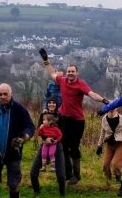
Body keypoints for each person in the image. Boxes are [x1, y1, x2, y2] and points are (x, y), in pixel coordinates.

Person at [38, 48, 110, 184]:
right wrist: (46, 60)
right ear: (66, 73)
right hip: (64, 118)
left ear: (77, 73)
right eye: (69, 71)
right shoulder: (63, 81)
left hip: (77, 120)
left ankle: (77, 175)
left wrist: (104, 100)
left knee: (74, 147)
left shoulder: (80, 84)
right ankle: (68, 173)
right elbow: (52, 74)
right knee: (63, 145)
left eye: (73, 71)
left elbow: (92, 94)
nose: (70, 73)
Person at [29, 97, 67, 197]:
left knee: (61, 175)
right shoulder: (43, 115)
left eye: (53, 103)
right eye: (49, 103)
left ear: (57, 105)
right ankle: (36, 190)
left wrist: (53, 140)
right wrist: (46, 139)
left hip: (57, 146)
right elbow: (39, 129)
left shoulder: (60, 117)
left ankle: (62, 193)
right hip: (44, 145)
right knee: (33, 171)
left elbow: (62, 132)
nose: (51, 104)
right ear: (47, 104)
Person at [95, 107, 122, 182]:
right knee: (105, 164)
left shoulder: (121, 118)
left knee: (115, 164)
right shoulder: (104, 119)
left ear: (116, 109)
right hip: (109, 145)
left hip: (120, 144)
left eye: (113, 107)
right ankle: (108, 179)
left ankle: (118, 177)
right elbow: (103, 132)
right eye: (109, 107)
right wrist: (99, 145)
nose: (111, 109)